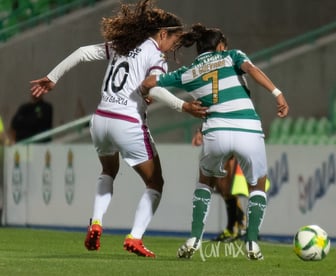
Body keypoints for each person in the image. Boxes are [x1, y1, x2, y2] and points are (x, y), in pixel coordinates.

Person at [30, 0, 206, 258]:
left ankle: (97, 222)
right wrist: (184, 106)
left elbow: (81, 52)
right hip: (127, 122)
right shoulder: (155, 55)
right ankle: (135, 238)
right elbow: (153, 87)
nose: (173, 48)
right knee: (155, 182)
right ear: (162, 33)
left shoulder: (121, 45)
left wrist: (53, 77)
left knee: (108, 170)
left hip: (100, 120)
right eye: (174, 40)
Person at [141, 23, 289, 260]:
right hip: (248, 129)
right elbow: (251, 69)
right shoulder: (231, 56)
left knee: (205, 182)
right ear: (220, 46)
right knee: (257, 186)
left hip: (216, 132)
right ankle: (252, 243)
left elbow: (149, 83)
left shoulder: (188, 71)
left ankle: (194, 238)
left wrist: (144, 93)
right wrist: (277, 93)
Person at [192, 127, 246, 242]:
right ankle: (238, 225)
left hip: (229, 137)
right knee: (223, 188)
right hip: (219, 138)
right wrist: (200, 132)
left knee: (227, 188)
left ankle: (234, 228)